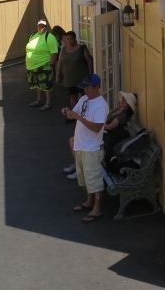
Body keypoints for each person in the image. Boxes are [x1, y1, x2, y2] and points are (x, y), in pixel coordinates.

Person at [62, 73, 108, 222]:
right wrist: (68, 113)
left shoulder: (101, 106)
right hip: (81, 145)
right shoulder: (83, 99)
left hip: (92, 149)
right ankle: (89, 201)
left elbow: (96, 128)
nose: (85, 91)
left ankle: (97, 208)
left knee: (94, 179)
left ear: (97, 87)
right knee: (84, 178)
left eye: (88, 88)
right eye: (84, 88)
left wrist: (78, 118)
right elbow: (73, 115)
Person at [64, 89, 136, 181]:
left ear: (129, 105)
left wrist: (97, 125)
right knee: (72, 140)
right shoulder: (117, 110)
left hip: (106, 137)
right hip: (102, 133)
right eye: (123, 99)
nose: (122, 101)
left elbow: (110, 127)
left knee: (74, 143)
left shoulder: (123, 115)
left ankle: (80, 171)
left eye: (125, 101)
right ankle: (77, 165)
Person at [25, 19, 58, 111]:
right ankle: (39, 100)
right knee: (38, 84)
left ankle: (48, 102)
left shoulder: (49, 37)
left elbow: (54, 52)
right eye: (39, 26)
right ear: (37, 26)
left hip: (44, 65)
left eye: (43, 26)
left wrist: (51, 65)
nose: (41, 28)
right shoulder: (33, 35)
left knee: (46, 84)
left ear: (46, 27)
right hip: (32, 66)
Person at [56, 31, 93, 107]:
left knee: (83, 95)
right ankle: (74, 114)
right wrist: (57, 77)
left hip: (81, 78)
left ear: (75, 39)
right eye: (68, 39)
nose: (69, 40)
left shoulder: (81, 48)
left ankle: (84, 113)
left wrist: (90, 73)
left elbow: (89, 60)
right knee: (73, 96)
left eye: (71, 38)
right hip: (69, 79)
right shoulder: (63, 50)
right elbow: (59, 64)